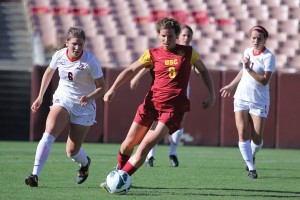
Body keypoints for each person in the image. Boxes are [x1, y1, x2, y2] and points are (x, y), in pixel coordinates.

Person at [100, 17, 215, 192]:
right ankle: (119, 172)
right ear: (158, 35)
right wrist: (112, 89)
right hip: (150, 104)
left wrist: (212, 94)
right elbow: (131, 69)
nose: (166, 40)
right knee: (127, 144)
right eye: (163, 36)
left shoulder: (189, 52)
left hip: (172, 109)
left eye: (170, 36)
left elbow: (204, 71)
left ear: (177, 36)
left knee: (145, 147)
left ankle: (118, 181)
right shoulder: (152, 53)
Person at [25, 27, 106, 187]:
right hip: (63, 99)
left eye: (81, 44)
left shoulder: (90, 61)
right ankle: (34, 175)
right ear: (67, 42)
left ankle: (84, 163)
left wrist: (89, 97)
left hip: (84, 106)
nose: (77, 48)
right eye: (74, 44)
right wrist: (40, 96)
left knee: (72, 152)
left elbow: (102, 87)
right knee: (47, 135)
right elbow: (48, 72)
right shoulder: (59, 55)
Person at [130, 25, 197, 167]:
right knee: (156, 123)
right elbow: (151, 64)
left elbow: (199, 69)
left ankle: (173, 153)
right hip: (163, 92)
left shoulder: (190, 52)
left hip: (182, 92)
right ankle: (150, 155)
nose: (186, 38)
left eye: (188, 36)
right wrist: (137, 77)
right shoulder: (168, 50)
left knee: (179, 124)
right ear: (179, 36)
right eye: (184, 35)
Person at [220, 25, 275, 179]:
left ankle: (252, 154)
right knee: (242, 132)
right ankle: (251, 168)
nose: (256, 41)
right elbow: (243, 71)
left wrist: (248, 69)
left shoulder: (268, 57)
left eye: (259, 38)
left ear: (265, 40)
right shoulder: (247, 52)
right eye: (253, 38)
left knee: (257, 138)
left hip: (259, 100)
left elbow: (264, 80)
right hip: (241, 97)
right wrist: (231, 86)